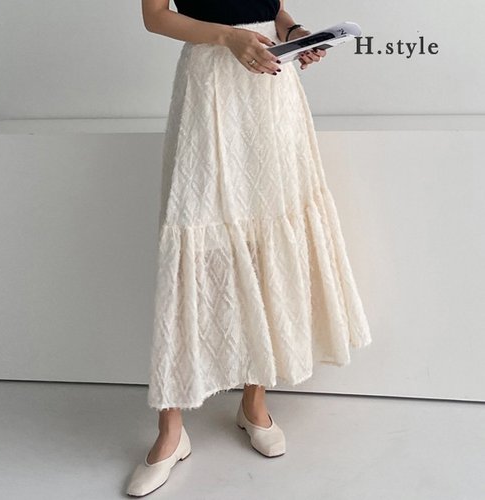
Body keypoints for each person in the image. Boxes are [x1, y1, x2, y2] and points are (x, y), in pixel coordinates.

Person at [126, 0, 372, 496]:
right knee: (193, 242)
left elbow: (271, 5)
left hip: (271, 86)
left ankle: (254, 402)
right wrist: (228, 37)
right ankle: (171, 430)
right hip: (211, 85)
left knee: (266, 240)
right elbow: (156, 16)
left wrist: (294, 32)